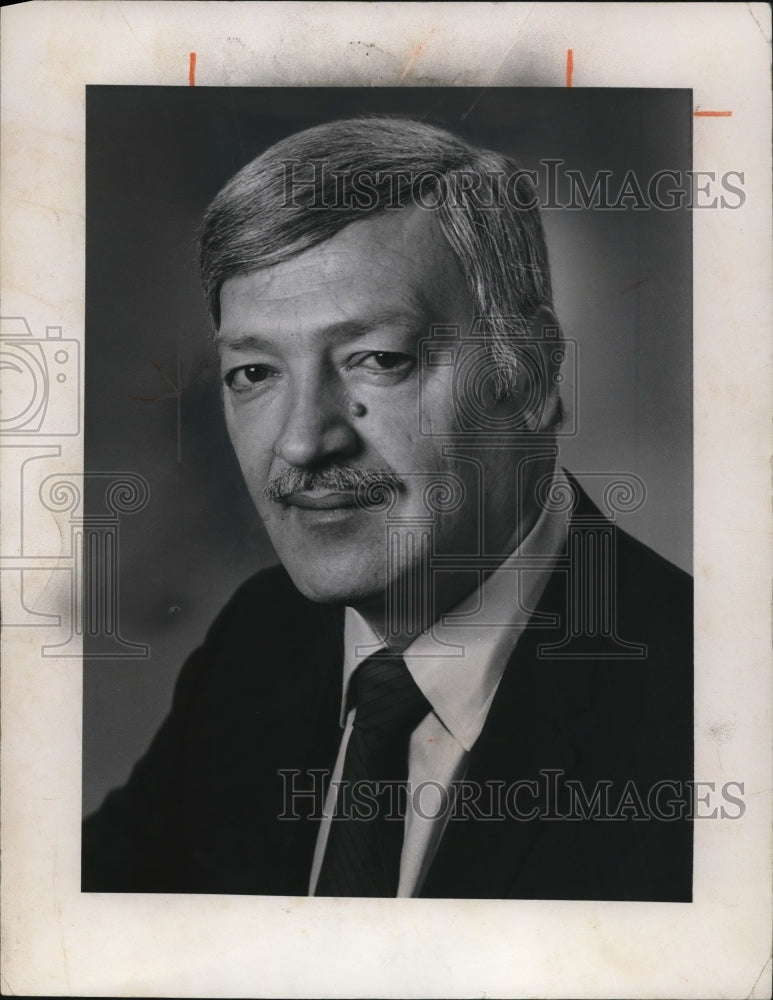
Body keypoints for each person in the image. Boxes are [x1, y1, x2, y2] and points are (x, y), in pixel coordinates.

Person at [82, 116, 692, 900]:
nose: (302, 443)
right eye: (254, 373)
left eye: (377, 360)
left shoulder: (708, 707)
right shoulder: (257, 643)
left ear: (529, 378)